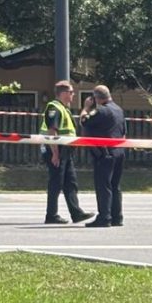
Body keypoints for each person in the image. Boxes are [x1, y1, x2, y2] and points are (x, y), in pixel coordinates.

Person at [40, 80, 93, 224]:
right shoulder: (54, 107)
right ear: (63, 93)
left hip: (66, 151)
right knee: (56, 182)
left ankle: (76, 213)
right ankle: (51, 215)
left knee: (71, 182)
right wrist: (55, 154)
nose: (73, 95)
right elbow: (52, 131)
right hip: (56, 149)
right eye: (71, 92)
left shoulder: (64, 108)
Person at [79, 85, 126, 228]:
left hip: (105, 153)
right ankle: (117, 217)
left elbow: (84, 121)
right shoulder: (119, 110)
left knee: (103, 185)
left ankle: (104, 217)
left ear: (96, 98)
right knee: (115, 186)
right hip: (119, 151)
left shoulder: (102, 111)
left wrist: (86, 108)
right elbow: (123, 131)